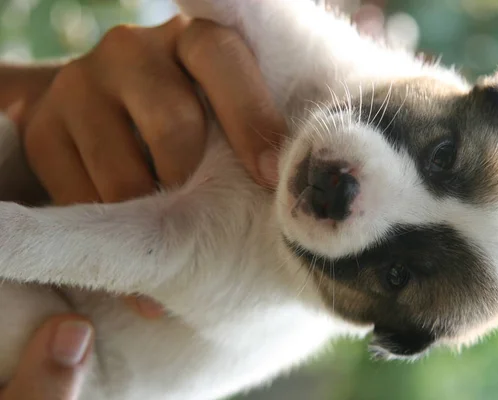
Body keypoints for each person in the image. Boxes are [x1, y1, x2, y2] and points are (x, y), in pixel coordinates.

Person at [0, 3, 385, 398]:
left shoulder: (277, 283)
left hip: (70, 347)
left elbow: (162, 241)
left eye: (397, 272)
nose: (349, 196)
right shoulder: (358, 73)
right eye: (440, 155)